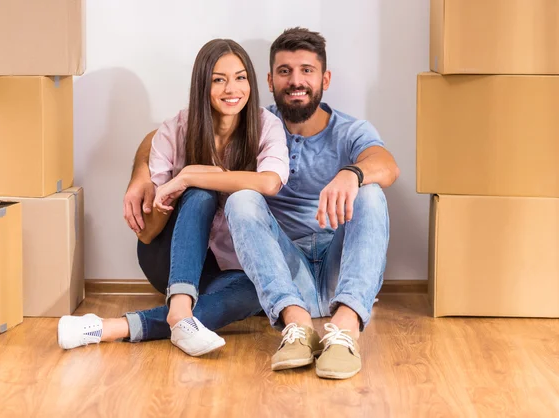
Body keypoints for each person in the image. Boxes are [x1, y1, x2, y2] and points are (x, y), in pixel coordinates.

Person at [57, 38, 290, 356]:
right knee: (201, 193)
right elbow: (149, 231)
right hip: (170, 259)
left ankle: (109, 327)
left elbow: (270, 183)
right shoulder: (177, 129)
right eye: (218, 80)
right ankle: (180, 307)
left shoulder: (265, 126)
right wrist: (178, 191)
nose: (231, 89)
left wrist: (188, 173)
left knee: (256, 292)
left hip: (228, 269)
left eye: (240, 77)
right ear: (202, 85)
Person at [223, 27, 400, 379]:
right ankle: (297, 325)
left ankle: (346, 328)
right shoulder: (255, 126)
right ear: (271, 81)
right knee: (241, 199)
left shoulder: (350, 130)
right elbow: (179, 130)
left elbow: (388, 166)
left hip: (341, 270)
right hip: (288, 273)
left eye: (307, 70)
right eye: (285, 71)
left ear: (325, 78)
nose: (296, 81)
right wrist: (141, 175)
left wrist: (351, 173)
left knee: (371, 189)